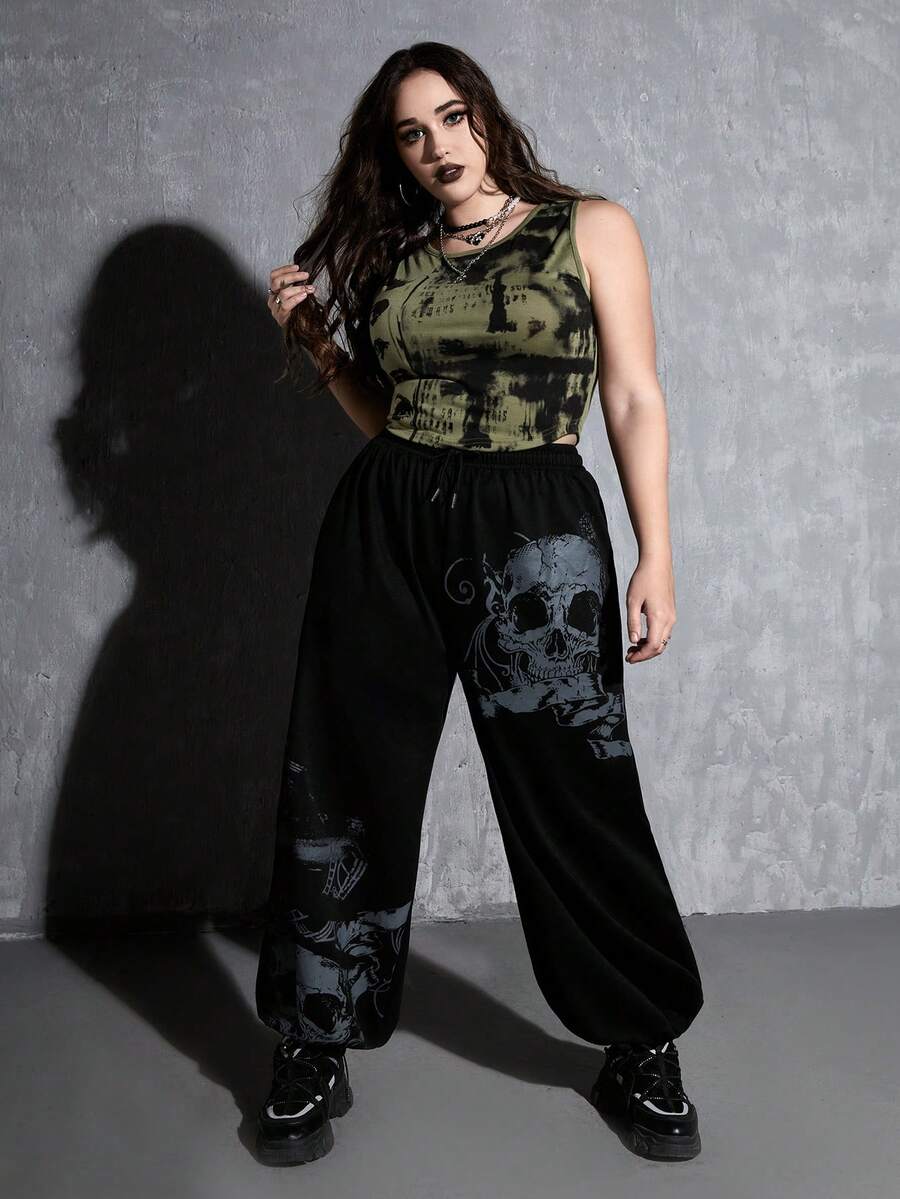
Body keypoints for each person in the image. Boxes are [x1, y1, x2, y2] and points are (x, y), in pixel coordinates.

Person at [253, 41, 705, 1167]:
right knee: (343, 774)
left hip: (535, 525)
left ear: (486, 117)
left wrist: (656, 555)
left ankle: (640, 1038)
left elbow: (633, 395)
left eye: (452, 117)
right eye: (412, 133)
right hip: (387, 518)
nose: (438, 146)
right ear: (395, 154)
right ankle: (316, 1034)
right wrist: (318, 345)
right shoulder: (400, 255)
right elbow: (389, 413)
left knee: (574, 785)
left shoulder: (588, 227)